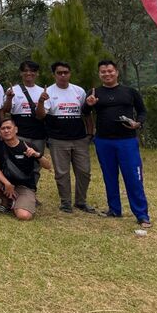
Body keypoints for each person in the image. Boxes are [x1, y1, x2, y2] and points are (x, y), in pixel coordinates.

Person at [82, 59, 150, 227]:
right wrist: (88, 104)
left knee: (133, 177)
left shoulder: (130, 92)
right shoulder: (94, 92)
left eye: (110, 71)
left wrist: (138, 123)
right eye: (103, 72)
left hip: (127, 141)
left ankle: (142, 215)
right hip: (103, 141)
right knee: (109, 176)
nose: (107, 74)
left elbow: (142, 111)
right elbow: (85, 112)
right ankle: (114, 209)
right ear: (99, 74)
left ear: (117, 72)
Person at [37, 62, 94, 214]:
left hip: (79, 138)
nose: (63, 75)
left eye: (66, 72)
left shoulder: (79, 91)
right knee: (62, 173)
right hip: (58, 139)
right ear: (54, 75)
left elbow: (86, 113)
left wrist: (90, 133)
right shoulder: (48, 92)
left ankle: (81, 201)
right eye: (59, 73)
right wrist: (41, 101)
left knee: (84, 171)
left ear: (70, 73)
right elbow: (40, 116)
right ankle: (66, 202)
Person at [0, 119, 51, 221]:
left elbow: (48, 166)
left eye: (9, 128)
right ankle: (6, 200)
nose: (6, 131)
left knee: (23, 216)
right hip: (5, 184)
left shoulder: (27, 146)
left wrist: (37, 155)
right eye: (3, 128)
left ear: (16, 129)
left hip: (25, 186)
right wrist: (7, 183)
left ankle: (19, 201)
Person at [2, 61, 47, 186]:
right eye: (25, 70)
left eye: (32, 71)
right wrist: (9, 98)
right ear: (21, 73)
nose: (29, 73)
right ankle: (14, 189)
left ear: (37, 73)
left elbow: (41, 115)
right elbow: (6, 110)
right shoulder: (13, 90)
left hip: (38, 134)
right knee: (16, 162)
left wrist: (41, 101)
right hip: (19, 133)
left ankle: (31, 190)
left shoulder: (42, 91)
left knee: (36, 164)